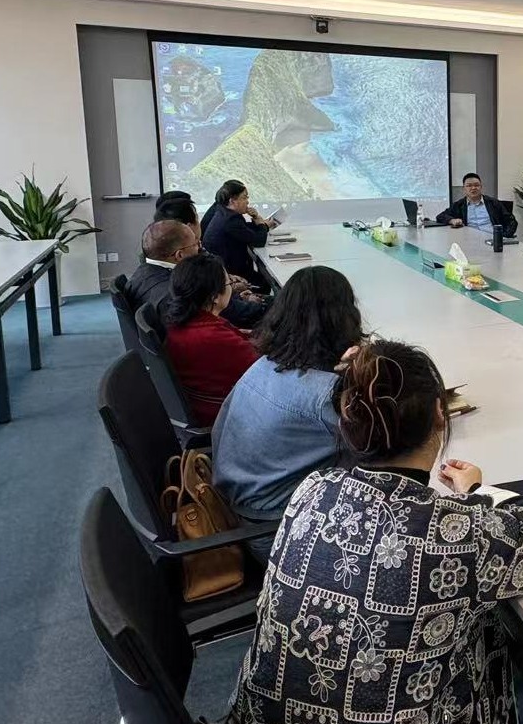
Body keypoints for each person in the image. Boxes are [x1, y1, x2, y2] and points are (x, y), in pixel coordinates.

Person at [225, 339, 523, 724]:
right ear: (440, 415)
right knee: (486, 625)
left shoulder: (314, 488)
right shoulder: (448, 534)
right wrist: (479, 490)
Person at [213, 266, 365, 533]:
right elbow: (377, 446)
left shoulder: (265, 365)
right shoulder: (324, 395)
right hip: (276, 523)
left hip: (238, 499)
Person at [159, 253, 258, 428]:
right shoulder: (213, 338)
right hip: (227, 418)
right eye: (229, 283)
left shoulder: (184, 322)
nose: (231, 288)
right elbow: (266, 370)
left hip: (206, 403)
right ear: (214, 296)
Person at [126, 219, 268, 330]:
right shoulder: (175, 294)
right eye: (195, 244)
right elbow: (227, 314)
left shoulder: (140, 274)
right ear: (180, 255)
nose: (200, 248)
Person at [202, 179, 278, 292]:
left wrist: (261, 224)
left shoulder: (223, 211)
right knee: (266, 283)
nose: (247, 202)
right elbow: (259, 241)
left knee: (264, 279)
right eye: (244, 197)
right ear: (233, 201)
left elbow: (245, 230)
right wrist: (260, 221)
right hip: (232, 275)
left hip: (225, 268)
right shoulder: (231, 220)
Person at [436, 172, 518, 237]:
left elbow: (512, 222)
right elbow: (440, 216)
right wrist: (452, 220)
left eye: (476, 185)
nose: (473, 188)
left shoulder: (493, 203)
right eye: (469, 186)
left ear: (481, 187)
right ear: (464, 189)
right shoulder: (459, 205)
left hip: (492, 239)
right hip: (469, 241)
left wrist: (503, 237)